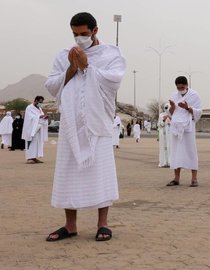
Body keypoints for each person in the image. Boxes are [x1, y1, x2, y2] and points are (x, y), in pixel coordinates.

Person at [44, 12, 126, 241]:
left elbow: (114, 81)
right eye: (75, 34)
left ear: (95, 31)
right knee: (68, 173)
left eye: (84, 34)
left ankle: (103, 224)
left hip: (97, 123)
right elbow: (52, 85)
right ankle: (70, 225)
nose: (79, 39)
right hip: (71, 124)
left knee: (101, 172)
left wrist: (88, 66)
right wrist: (71, 68)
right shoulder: (63, 56)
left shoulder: (110, 54)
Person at [166, 76, 202, 187]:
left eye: (182, 87)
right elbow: (170, 113)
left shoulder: (194, 95)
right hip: (176, 127)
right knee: (176, 152)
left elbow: (199, 112)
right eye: (178, 88)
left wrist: (187, 108)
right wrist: (172, 106)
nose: (180, 89)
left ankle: (194, 179)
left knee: (190, 151)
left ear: (186, 85)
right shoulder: (174, 95)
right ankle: (176, 179)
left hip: (188, 127)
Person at [21, 96, 49, 163]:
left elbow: (40, 117)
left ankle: (34, 157)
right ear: (36, 100)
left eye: (41, 102)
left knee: (37, 143)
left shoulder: (39, 108)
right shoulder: (29, 108)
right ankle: (29, 158)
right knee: (30, 143)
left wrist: (44, 118)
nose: (41, 104)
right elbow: (30, 118)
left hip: (38, 128)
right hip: (31, 129)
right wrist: (40, 116)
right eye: (40, 102)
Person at [158, 103, 172, 168]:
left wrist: (170, 118)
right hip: (163, 134)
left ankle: (170, 162)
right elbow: (160, 125)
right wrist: (164, 120)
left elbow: (175, 124)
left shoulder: (172, 115)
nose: (166, 109)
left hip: (170, 134)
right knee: (163, 147)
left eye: (167, 107)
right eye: (165, 107)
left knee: (170, 147)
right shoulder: (161, 115)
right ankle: (163, 162)